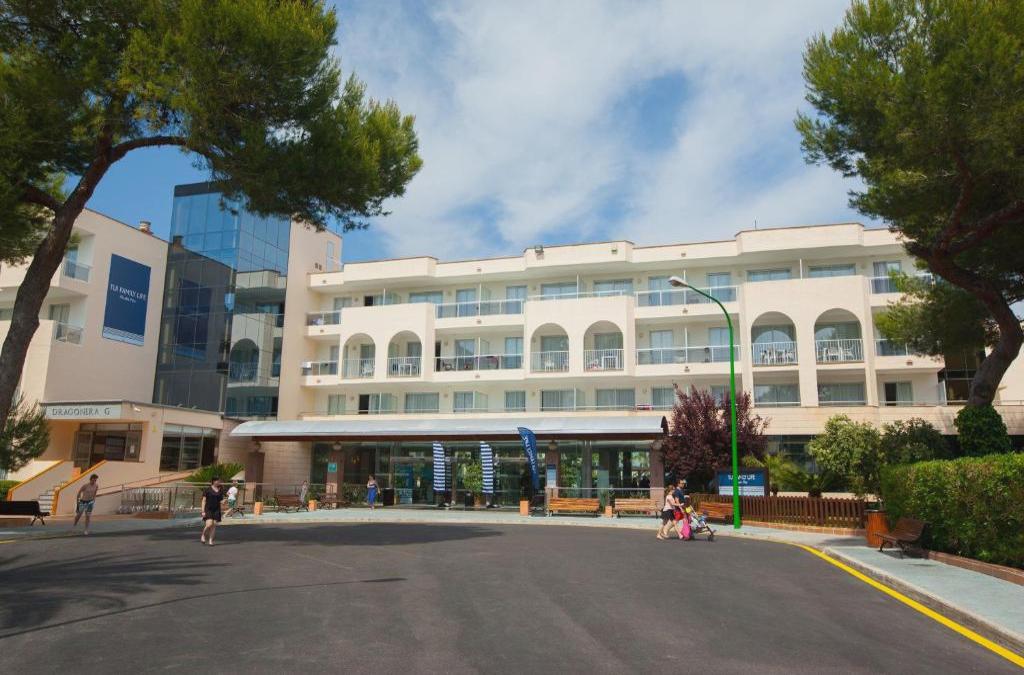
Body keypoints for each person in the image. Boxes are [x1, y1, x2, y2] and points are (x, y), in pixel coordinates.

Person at [200, 477, 224, 546]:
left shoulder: (220, 490)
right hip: (208, 509)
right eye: (218, 481)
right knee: (209, 524)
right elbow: (203, 501)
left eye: (219, 481)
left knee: (214, 525)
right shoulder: (207, 490)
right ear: (213, 481)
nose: (219, 482)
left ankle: (210, 540)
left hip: (217, 509)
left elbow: (220, 500)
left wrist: (224, 501)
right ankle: (203, 535)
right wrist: (203, 511)